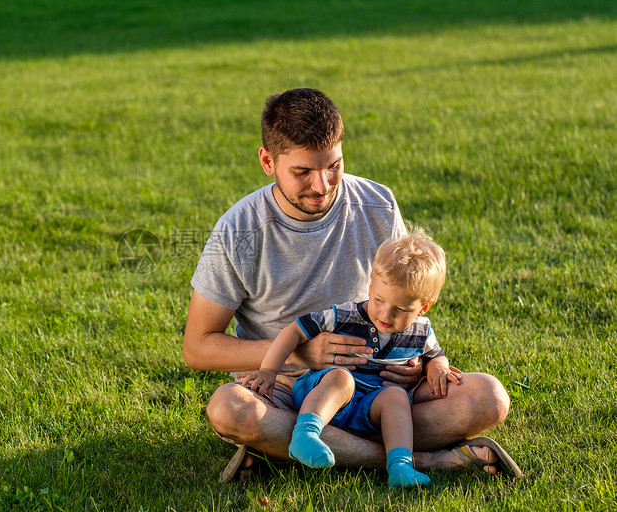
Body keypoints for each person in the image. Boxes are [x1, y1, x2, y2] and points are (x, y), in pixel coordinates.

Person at [182, 88, 521, 482]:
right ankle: (417, 460)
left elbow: (402, 291)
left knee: (488, 398)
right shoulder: (237, 231)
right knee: (229, 409)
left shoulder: (377, 203)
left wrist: (414, 361)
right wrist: (301, 356)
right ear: (267, 161)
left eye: (333, 167)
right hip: (288, 392)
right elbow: (198, 346)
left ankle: (287, 450)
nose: (322, 186)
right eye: (302, 172)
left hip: (381, 386)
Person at [242, 230, 460, 487]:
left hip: (367, 407)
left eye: (400, 309)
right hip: (322, 390)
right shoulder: (345, 315)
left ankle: (400, 466)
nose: (385, 313)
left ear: (423, 307)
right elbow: (294, 330)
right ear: (370, 286)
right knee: (342, 377)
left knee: (396, 396)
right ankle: (305, 435)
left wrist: (437, 368)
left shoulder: (421, 332)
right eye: (378, 299)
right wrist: (268, 369)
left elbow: (436, 355)